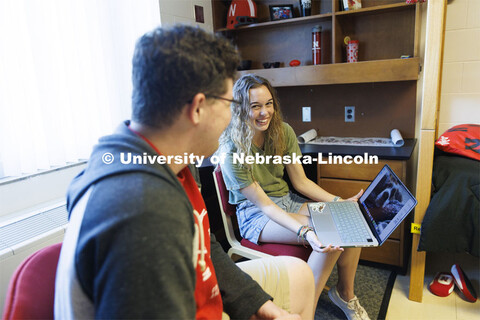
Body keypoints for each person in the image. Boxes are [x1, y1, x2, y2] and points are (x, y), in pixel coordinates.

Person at [54, 25, 316, 319]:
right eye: (231, 104)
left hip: (198, 291)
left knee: (300, 275)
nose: (234, 116)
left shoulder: (163, 160)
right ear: (198, 109)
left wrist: (258, 306)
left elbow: (204, 244)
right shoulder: (145, 211)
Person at [218, 74, 370, 320]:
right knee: (328, 232)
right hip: (256, 216)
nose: (264, 112)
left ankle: (345, 294)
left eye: (268, 103)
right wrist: (306, 232)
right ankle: (305, 311)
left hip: (287, 202)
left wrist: (338, 202)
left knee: (349, 217)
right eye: (255, 106)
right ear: (240, 109)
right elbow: (266, 207)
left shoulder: (282, 131)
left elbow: (300, 181)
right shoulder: (231, 150)